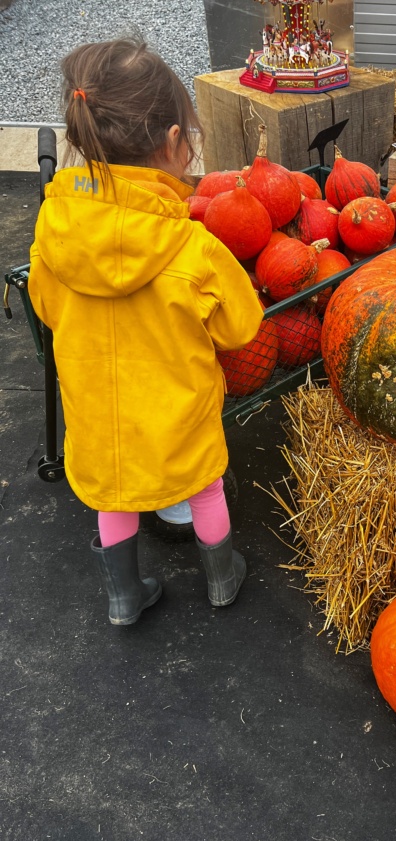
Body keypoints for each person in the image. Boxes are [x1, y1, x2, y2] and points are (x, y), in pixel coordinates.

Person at [28, 37, 265, 625]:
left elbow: (46, 306)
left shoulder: (54, 232)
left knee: (113, 502)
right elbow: (241, 326)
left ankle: (124, 597)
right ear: (173, 143)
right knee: (205, 489)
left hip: (99, 418)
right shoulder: (192, 246)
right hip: (177, 413)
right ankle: (221, 580)